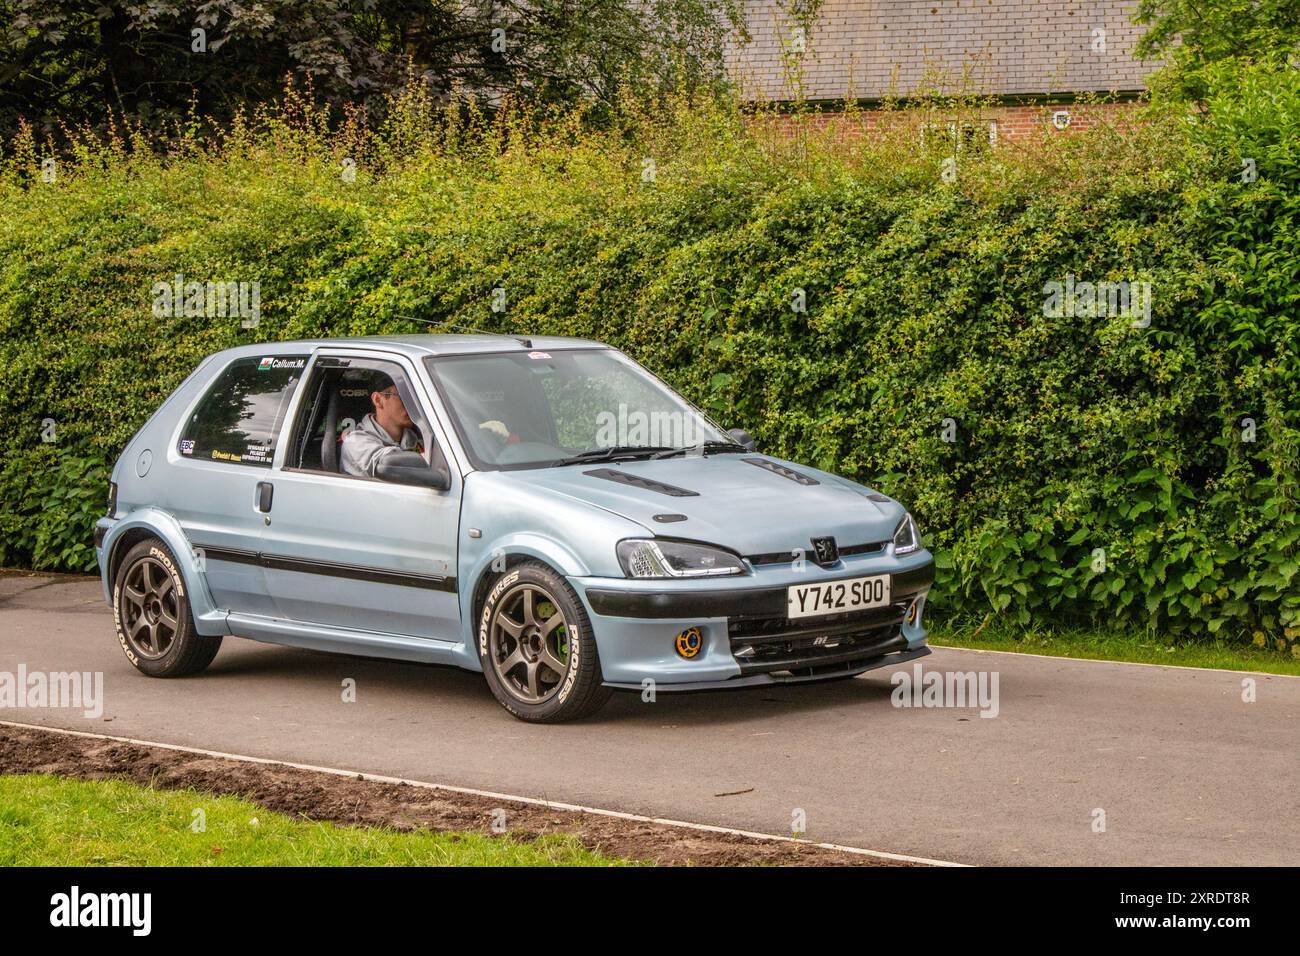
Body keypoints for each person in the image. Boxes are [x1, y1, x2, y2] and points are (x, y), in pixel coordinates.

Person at [340, 381, 425, 478]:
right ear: (378, 400)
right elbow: (389, 463)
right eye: (405, 396)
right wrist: (426, 458)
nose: (413, 405)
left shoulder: (414, 437)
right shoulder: (355, 442)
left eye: (415, 397)